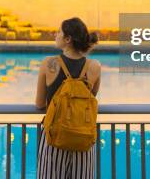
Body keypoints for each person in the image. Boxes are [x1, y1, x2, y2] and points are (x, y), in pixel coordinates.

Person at [35, 17, 101, 178]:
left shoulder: (49, 64)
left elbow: (39, 104)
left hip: (54, 139)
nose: (55, 35)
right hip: (83, 141)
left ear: (67, 39)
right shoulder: (94, 67)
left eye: (59, 32)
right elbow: (91, 98)